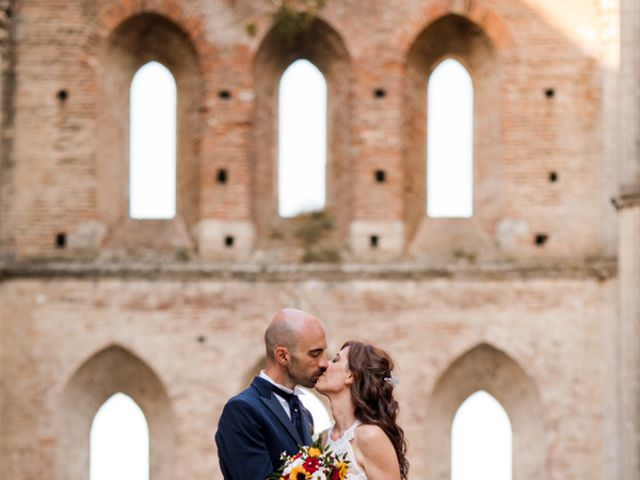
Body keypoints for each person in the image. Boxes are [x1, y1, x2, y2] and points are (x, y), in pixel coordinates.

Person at [215, 308, 329, 479]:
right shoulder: (242, 410)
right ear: (283, 356)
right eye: (315, 354)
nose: (324, 363)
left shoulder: (305, 414)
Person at [315, 340, 409, 480]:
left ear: (351, 376)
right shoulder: (322, 439)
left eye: (335, 360)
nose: (324, 364)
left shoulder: (370, 436)